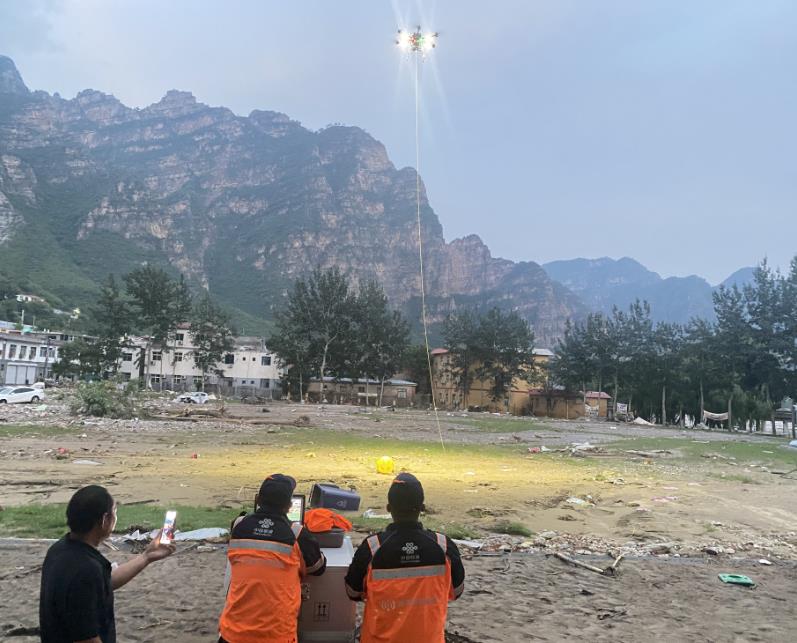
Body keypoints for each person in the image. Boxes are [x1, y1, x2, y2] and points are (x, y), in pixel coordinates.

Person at [39, 485, 175, 643]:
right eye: (115, 511)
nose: (116, 517)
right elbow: (86, 640)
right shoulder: (86, 570)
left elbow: (104, 583)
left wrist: (146, 556)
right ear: (105, 520)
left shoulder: (60, 550)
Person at [344, 473, 465, 643]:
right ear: (422, 508)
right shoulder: (444, 546)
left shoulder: (372, 547)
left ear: (389, 508)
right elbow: (457, 591)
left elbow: (353, 592)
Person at [218, 474, 326, 643]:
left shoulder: (238, 525)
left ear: (258, 500)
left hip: (232, 633)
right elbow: (318, 568)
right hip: (277, 635)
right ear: (289, 506)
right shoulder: (297, 534)